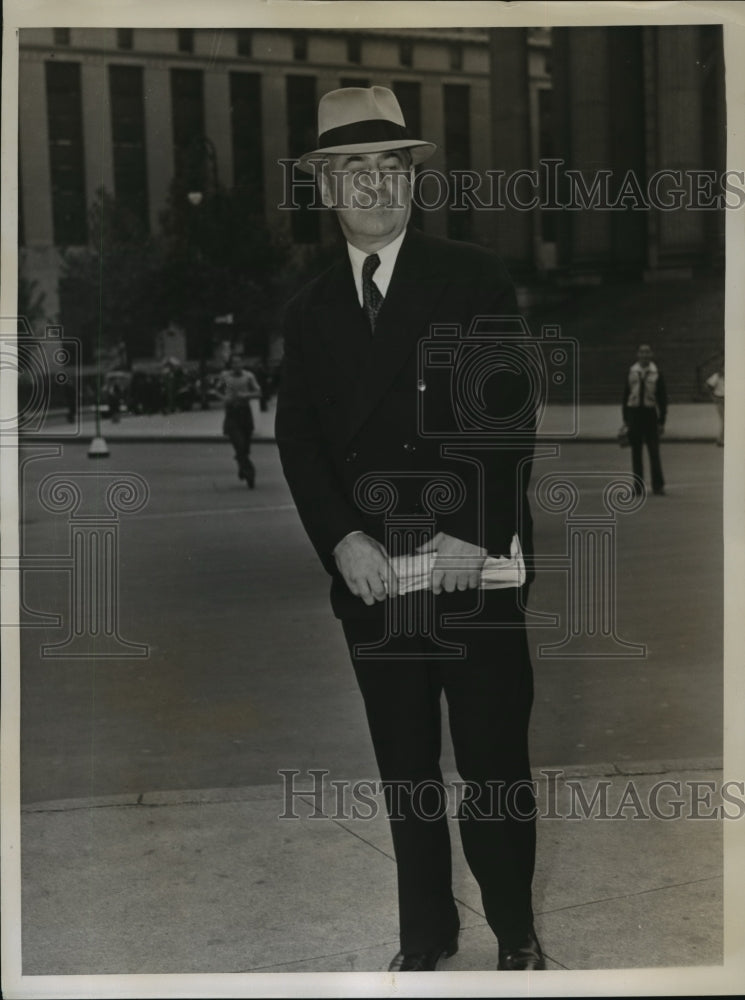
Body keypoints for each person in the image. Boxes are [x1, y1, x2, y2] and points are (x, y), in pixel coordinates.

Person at [276, 86, 543, 972]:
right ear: (323, 189)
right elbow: (302, 440)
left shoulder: (470, 275)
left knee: (495, 764)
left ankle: (514, 933)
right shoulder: (308, 309)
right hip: (376, 578)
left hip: (470, 569)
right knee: (407, 773)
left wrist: (473, 527)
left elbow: (505, 413)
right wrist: (342, 540)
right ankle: (423, 938)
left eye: (390, 168)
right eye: (352, 171)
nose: (374, 187)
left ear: (413, 183)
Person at [621, 343, 668, 496]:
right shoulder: (632, 372)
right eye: (642, 352)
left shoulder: (656, 373)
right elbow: (626, 395)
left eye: (647, 352)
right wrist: (626, 419)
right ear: (638, 355)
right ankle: (638, 486)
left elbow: (662, 398)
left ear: (651, 355)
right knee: (636, 452)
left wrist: (662, 421)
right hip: (634, 414)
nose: (644, 355)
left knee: (654, 451)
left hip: (650, 415)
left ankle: (658, 485)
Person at [220, 354, 261, 487]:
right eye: (234, 363)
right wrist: (224, 398)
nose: (237, 366)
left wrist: (246, 395)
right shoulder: (225, 377)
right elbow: (218, 389)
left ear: (242, 364)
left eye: (239, 363)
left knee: (245, 447)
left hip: (245, 413)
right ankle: (250, 473)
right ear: (231, 365)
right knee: (239, 444)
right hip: (232, 413)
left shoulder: (248, 376)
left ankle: (242, 466)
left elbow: (259, 392)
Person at [705, 362, 724, 446]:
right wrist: (713, 396)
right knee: (725, 420)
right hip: (720, 399)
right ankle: (720, 440)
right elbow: (708, 385)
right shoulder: (717, 376)